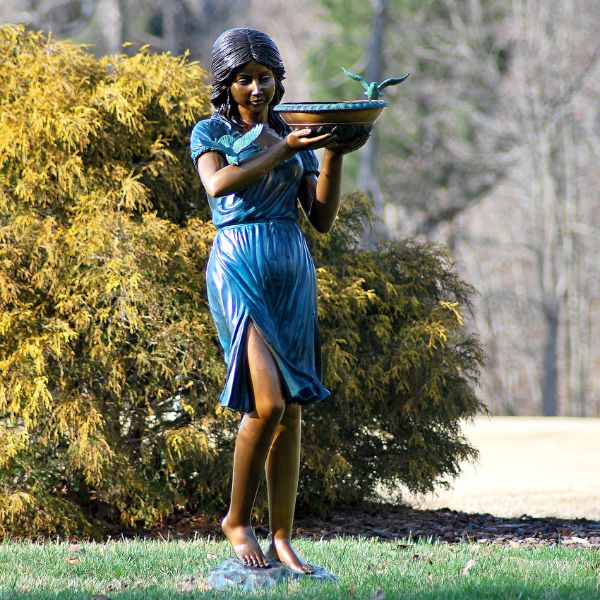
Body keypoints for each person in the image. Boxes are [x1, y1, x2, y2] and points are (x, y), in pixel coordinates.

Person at [190, 28, 344, 573]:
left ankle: (282, 536)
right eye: (245, 79)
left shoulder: (291, 132)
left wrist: (333, 154)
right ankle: (236, 519)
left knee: (293, 410)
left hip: (291, 266)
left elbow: (321, 220)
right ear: (227, 83)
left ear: (279, 78)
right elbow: (218, 186)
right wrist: (285, 148)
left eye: (265, 77)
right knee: (269, 403)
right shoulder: (210, 131)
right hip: (238, 265)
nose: (257, 88)